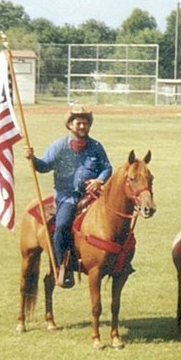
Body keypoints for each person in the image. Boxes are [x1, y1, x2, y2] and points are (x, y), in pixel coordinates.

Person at [23, 105, 112, 288]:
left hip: (92, 195)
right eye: (78, 123)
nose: (82, 126)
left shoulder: (95, 146)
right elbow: (45, 166)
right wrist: (32, 159)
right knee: (62, 225)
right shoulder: (59, 146)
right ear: (70, 125)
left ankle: (118, 261)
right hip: (67, 196)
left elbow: (107, 167)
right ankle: (61, 266)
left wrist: (99, 180)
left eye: (85, 123)